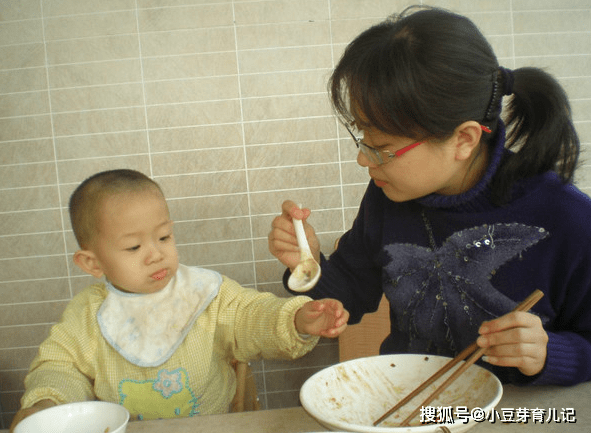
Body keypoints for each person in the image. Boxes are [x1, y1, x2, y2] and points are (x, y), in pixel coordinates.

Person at [269, 5, 591, 386]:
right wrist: (307, 266)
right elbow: (348, 297)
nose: (363, 159)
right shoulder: (389, 195)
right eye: (363, 139)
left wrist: (550, 354)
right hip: (413, 405)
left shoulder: (567, 218)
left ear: (464, 139)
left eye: (383, 147)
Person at [11, 169, 349, 429]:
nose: (155, 254)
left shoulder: (204, 294)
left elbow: (252, 316)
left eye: (164, 236)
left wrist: (297, 319)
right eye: (134, 247)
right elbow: (60, 366)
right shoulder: (88, 316)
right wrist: (47, 405)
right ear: (93, 263)